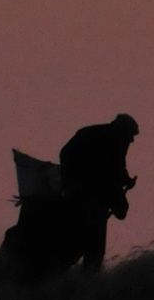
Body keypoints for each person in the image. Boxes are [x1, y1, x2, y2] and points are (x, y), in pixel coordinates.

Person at [57, 113, 140, 273]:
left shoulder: (106, 136)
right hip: (87, 195)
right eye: (130, 135)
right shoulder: (111, 140)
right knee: (93, 245)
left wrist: (126, 180)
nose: (132, 140)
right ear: (122, 131)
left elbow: (118, 167)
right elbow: (113, 169)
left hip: (85, 193)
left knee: (89, 243)